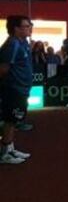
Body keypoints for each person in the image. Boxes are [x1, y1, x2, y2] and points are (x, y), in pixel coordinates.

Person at [0, 15, 34, 165]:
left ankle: (10, 148)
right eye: (26, 26)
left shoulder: (23, 43)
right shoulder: (12, 44)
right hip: (14, 89)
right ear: (16, 29)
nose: (29, 28)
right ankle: (5, 153)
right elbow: (3, 68)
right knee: (10, 120)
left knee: (14, 120)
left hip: (21, 88)